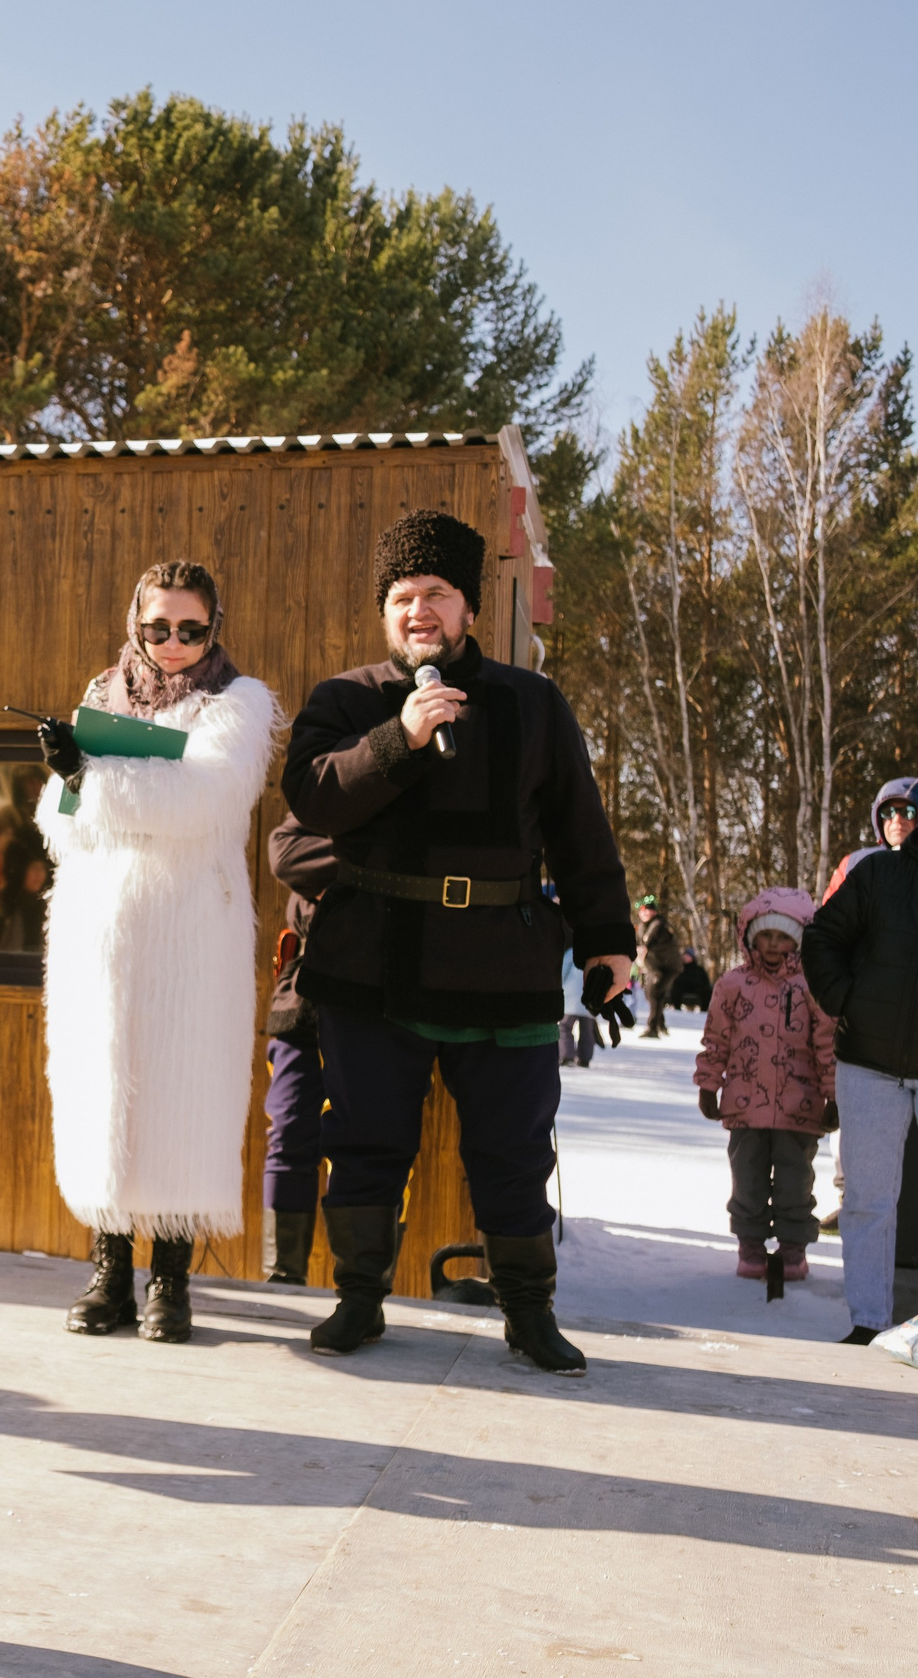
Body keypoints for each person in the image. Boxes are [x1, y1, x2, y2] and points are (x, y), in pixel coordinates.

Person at [283, 509, 636, 1377]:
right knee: (366, 1142)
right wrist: (398, 737)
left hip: (502, 965)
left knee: (513, 1151)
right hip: (375, 968)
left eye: (435, 594)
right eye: (402, 597)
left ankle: (528, 1312)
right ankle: (358, 1300)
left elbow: (579, 832)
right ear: (384, 611)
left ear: (468, 608)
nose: (418, 612)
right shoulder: (346, 699)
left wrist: (608, 941)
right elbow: (313, 798)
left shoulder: (532, 702)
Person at [39, 560, 282, 1341]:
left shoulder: (238, 704)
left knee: (183, 1090)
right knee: (106, 1088)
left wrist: (92, 777)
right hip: (98, 933)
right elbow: (59, 823)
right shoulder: (98, 695)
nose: (173, 643)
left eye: (191, 629)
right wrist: (68, 776)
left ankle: (170, 1279)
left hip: (191, 933)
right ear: (134, 625)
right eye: (157, 628)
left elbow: (202, 801)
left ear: (215, 629)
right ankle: (109, 1269)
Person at [801, 768, 918, 1346]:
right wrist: (847, 1001)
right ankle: (868, 1321)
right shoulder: (879, 874)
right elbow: (822, 937)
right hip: (869, 1061)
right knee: (867, 1201)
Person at [696, 886, 834, 1284]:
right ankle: (751, 1245)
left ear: (800, 939)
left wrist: (833, 1095)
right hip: (744, 1103)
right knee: (748, 1180)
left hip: (800, 1105)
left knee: (795, 1182)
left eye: (784, 937)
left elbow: (827, 1043)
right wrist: (709, 1083)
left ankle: (793, 1248)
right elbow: (716, 1038)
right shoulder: (733, 984)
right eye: (766, 935)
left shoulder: (812, 986)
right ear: (750, 935)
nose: (774, 945)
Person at [262, 812, 337, 1281]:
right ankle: (282, 1276)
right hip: (302, 998)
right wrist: (368, 865)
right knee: (288, 1133)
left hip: (379, 998)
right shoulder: (328, 783)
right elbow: (285, 853)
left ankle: (363, 1290)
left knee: (371, 1143)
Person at [822, 776, 918, 901]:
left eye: (908, 812)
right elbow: (828, 913)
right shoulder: (854, 863)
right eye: (888, 812)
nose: (897, 820)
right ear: (878, 818)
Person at [636, 896, 680, 1037]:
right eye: (642, 910)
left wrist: (644, 949)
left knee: (653, 992)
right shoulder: (643, 926)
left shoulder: (658, 923)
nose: (645, 913)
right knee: (653, 994)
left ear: (654, 912)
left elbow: (650, 939)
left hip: (666, 966)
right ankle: (660, 1024)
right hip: (656, 967)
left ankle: (653, 1027)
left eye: (648, 910)